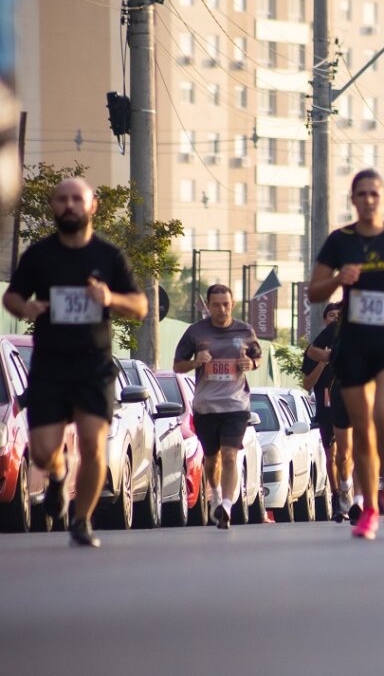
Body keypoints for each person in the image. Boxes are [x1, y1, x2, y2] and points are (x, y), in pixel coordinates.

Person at [4, 177, 147, 547]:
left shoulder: (109, 255)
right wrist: (27, 306)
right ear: (53, 207)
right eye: (62, 199)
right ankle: (57, 474)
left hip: (94, 366)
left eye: (77, 199)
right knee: (41, 451)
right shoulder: (39, 255)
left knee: (94, 445)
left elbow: (141, 307)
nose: (69, 206)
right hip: (50, 365)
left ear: (92, 205)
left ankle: (81, 519)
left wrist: (109, 297)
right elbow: (12, 298)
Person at [308, 169, 384, 540]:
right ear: (352, 199)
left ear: (383, 197)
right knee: (362, 429)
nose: (367, 200)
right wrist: (337, 280)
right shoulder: (339, 241)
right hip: (354, 344)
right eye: (360, 194)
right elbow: (314, 291)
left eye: (373, 194)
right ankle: (368, 510)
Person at [173, 285, 261, 530]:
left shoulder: (245, 330)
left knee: (230, 456)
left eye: (226, 304)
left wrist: (250, 363)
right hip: (206, 407)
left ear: (232, 304)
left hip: (236, 405)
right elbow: (178, 366)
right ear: (208, 306)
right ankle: (217, 492)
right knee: (211, 460)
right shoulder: (196, 333)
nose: (221, 309)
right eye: (216, 305)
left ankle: (227, 505)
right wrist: (194, 362)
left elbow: (257, 358)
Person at [301, 301, 353, 522]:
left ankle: (351, 495)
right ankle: (336, 495)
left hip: (350, 402)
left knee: (347, 453)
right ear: (325, 320)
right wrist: (323, 362)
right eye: (331, 316)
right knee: (332, 456)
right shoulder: (323, 342)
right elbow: (306, 384)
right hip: (326, 407)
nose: (335, 319)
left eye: (338, 315)